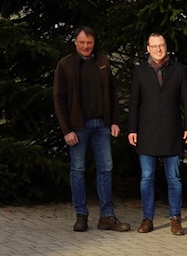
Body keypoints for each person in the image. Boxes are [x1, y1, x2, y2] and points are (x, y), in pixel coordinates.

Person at [53, 26, 129, 232]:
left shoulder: (103, 62)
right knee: (77, 169)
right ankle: (81, 215)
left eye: (89, 43)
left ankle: (107, 217)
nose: (86, 46)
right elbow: (59, 100)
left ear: (94, 43)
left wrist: (115, 121)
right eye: (82, 42)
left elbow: (112, 93)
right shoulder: (65, 65)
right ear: (75, 42)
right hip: (77, 127)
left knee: (106, 168)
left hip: (102, 125)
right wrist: (66, 130)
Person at [126, 32, 187, 235]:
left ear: (166, 46)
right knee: (146, 178)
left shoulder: (178, 70)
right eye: (154, 46)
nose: (158, 49)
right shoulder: (140, 71)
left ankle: (175, 218)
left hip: (172, 132)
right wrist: (132, 129)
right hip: (147, 132)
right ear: (148, 48)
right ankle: (147, 219)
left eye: (161, 45)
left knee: (174, 178)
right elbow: (134, 103)